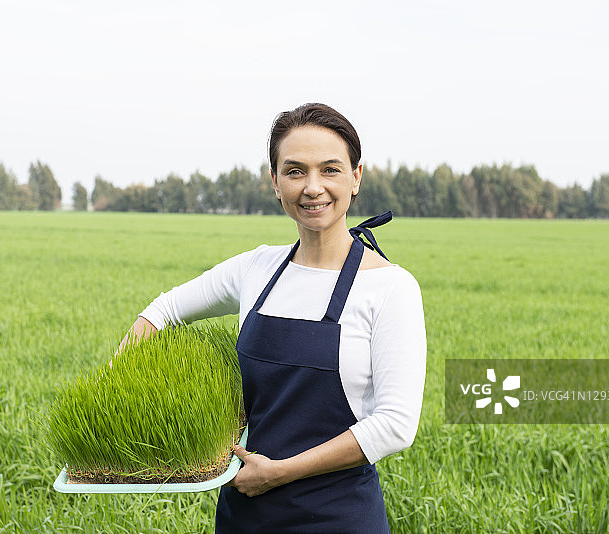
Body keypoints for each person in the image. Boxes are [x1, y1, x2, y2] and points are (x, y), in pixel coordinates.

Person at [117, 103, 426, 533]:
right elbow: (164, 310)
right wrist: (121, 376)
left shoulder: (390, 288)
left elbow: (395, 425)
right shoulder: (256, 268)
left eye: (330, 170)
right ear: (275, 182)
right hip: (245, 514)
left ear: (356, 177)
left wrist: (280, 472)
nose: (312, 187)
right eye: (295, 171)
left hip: (338, 516)